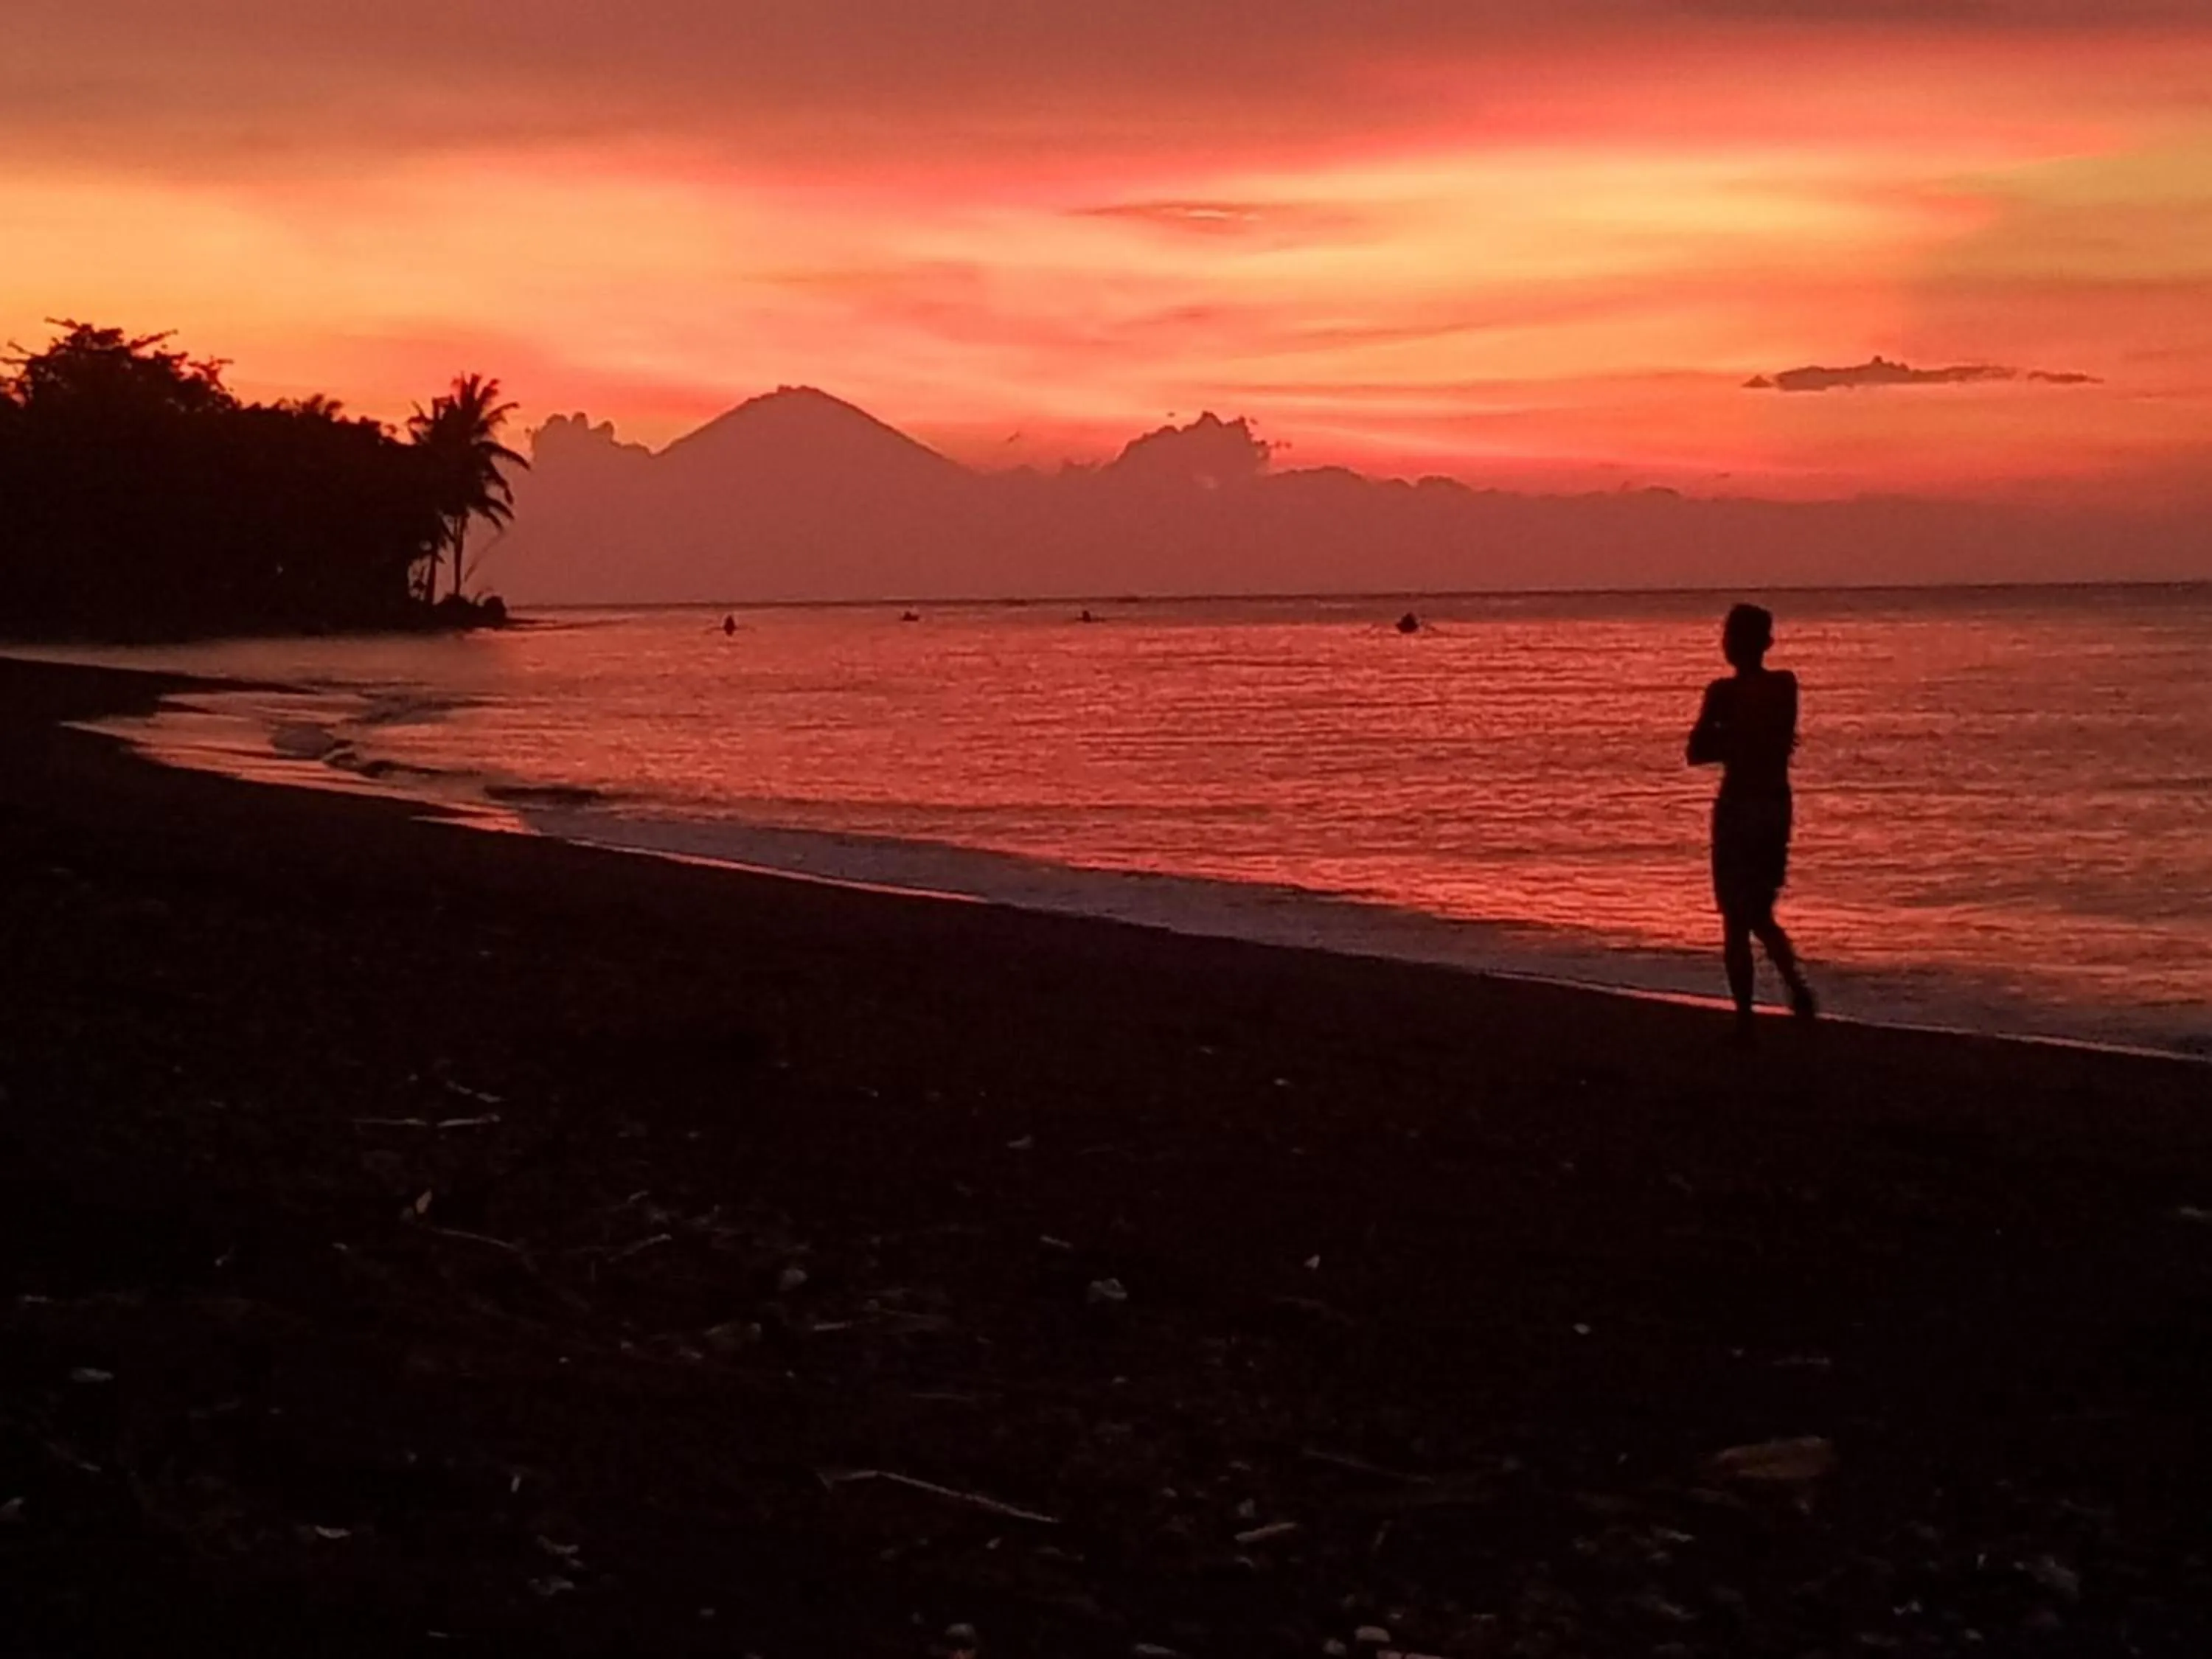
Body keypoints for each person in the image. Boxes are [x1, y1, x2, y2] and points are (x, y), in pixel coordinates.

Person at [1688, 603, 1816, 1036]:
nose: (1726, 643)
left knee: (1738, 915)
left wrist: (1733, 738)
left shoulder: (1727, 693)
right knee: (1756, 910)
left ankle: (1747, 1016)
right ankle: (1795, 990)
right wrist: (1748, 741)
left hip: (1744, 804)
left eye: (1730, 635)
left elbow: (1699, 749)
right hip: (1772, 804)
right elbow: (1774, 742)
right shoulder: (1783, 687)